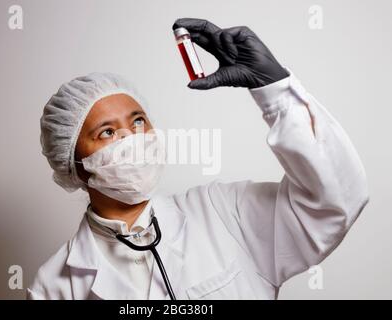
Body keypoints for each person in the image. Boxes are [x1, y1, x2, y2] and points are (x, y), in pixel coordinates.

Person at [27, 18, 369, 300]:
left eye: (138, 121)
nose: (132, 138)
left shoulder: (223, 211)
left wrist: (275, 91)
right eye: (107, 132)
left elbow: (335, 202)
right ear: (72, 164)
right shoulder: (54, 286)